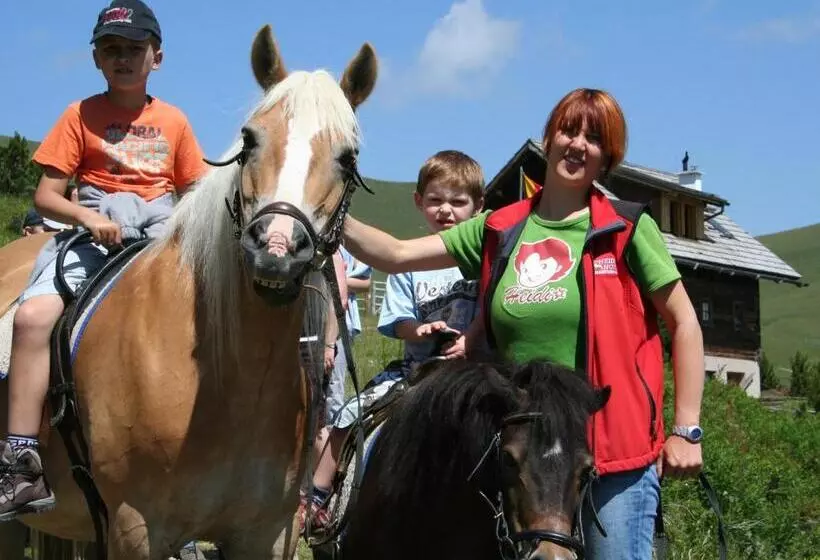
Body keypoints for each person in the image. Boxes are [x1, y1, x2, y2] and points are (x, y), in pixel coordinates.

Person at [341, 89, 705, 559]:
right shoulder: (501, 227)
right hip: (520, 456)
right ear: (549, 137)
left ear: (607, 158)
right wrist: (326, 210)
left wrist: (687, 429)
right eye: (568, 130)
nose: (577, 144)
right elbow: (396, 254)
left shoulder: (626, 227)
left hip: (609, 445)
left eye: (594, 138)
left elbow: (686, 323)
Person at [0, 0, 207, 521]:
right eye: (110, 49)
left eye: (133, 48)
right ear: (96, 58)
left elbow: (196, 193)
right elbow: (47, 195)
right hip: (92, 230)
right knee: (31, 316)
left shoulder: (175, 122)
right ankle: (21, 457)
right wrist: (88, 219)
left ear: (155, 58)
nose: (122, 58)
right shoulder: (78, 114)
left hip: (160, 233)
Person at [299, 149, 485, 532]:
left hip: (471, 372)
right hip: (416, 370)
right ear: (419, 203)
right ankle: (318, 495)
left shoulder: (482, 260)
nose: (445, 210)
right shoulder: (409, 265)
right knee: (351, 413)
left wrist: (470, 337)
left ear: (478, 207)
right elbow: (399, 320)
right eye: (435, 200)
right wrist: (420, 330)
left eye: (457, 201)